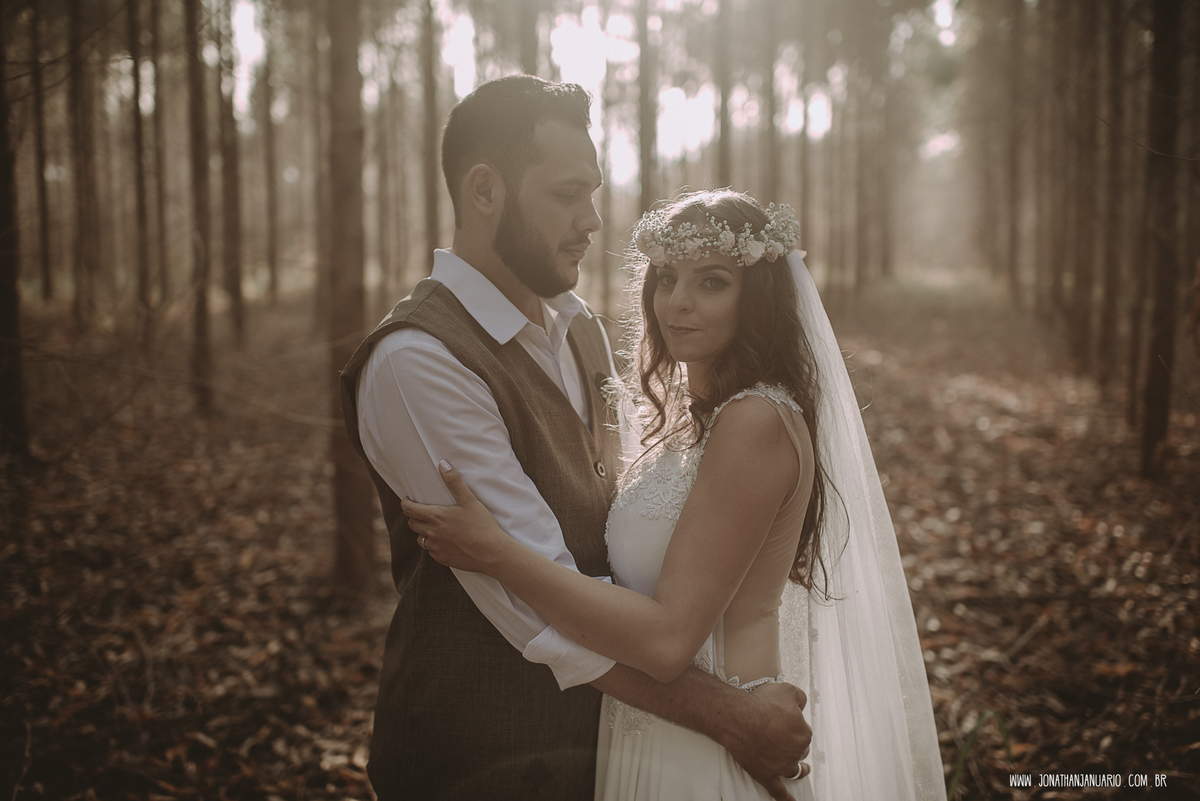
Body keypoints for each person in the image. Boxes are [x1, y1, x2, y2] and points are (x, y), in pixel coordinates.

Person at [339, 78, 812, 801]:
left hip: (610, 755)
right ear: (485, 190)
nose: (591, 220)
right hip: (475, 764)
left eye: (592, 192)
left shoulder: (580, 329)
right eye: (566, 194)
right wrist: (728, 715)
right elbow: (525, 600)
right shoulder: (420, 361)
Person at [403, 190, 946, 800]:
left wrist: (497, 553)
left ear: (758, 298)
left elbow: (665, 645)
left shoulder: (755, 421)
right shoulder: (692, 421)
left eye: (712, 282)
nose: (677, 302)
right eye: (666, 278)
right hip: (648, 736)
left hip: (706, 751)